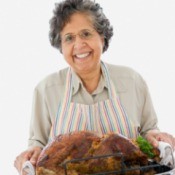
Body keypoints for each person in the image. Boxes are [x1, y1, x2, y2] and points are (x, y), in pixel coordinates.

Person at [14, 0, 175, 173]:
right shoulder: (46, 90)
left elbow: (148, 132)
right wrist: (29, 157)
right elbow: (38, 145)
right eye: (69, 38)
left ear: (102, 36)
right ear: (61, 46)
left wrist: (156, 138)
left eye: (86, 34)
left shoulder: (132, 81)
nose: (79, 44)